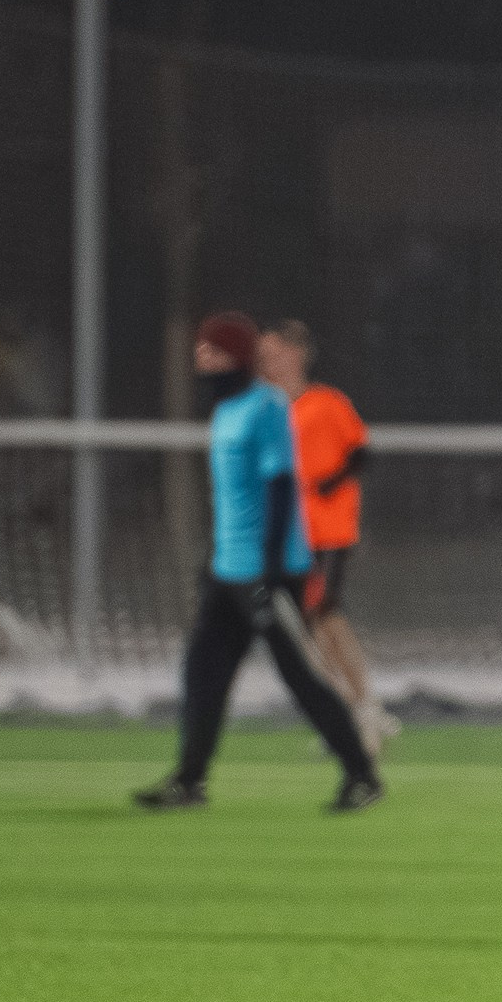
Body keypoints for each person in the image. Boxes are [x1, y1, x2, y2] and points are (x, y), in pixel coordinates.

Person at [133, 312, 383, 813]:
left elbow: (281, 487)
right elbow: (233, 500)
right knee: (203, 673)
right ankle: (190, 781)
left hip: (269, 573)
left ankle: (362, 775)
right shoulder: (225, 410)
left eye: (212, 349)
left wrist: (270, 570)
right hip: (229, 572)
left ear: (235, 356)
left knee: (301, 677)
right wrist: (217, 561)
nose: (201, 356)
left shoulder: (266, 407)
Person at [255, 319, 391, 757]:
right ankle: (352, 710)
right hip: (289, 534)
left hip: (328, 531)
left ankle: (364, 708)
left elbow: (360, 452)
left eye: (274, 353)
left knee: (325, 613)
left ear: (296, 355)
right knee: (310, 627)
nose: (266, 362)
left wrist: (329, 483)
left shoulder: (327, 402)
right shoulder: (265, 408)